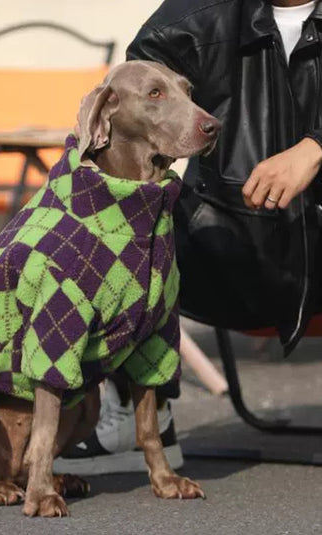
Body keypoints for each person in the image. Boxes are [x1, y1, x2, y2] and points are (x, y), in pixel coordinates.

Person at [55, 0, 322, 475]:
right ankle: (137, 419)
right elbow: (130, 108)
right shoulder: (195, 17)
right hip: (224, 248)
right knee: (115, 228)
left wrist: (315, 146)